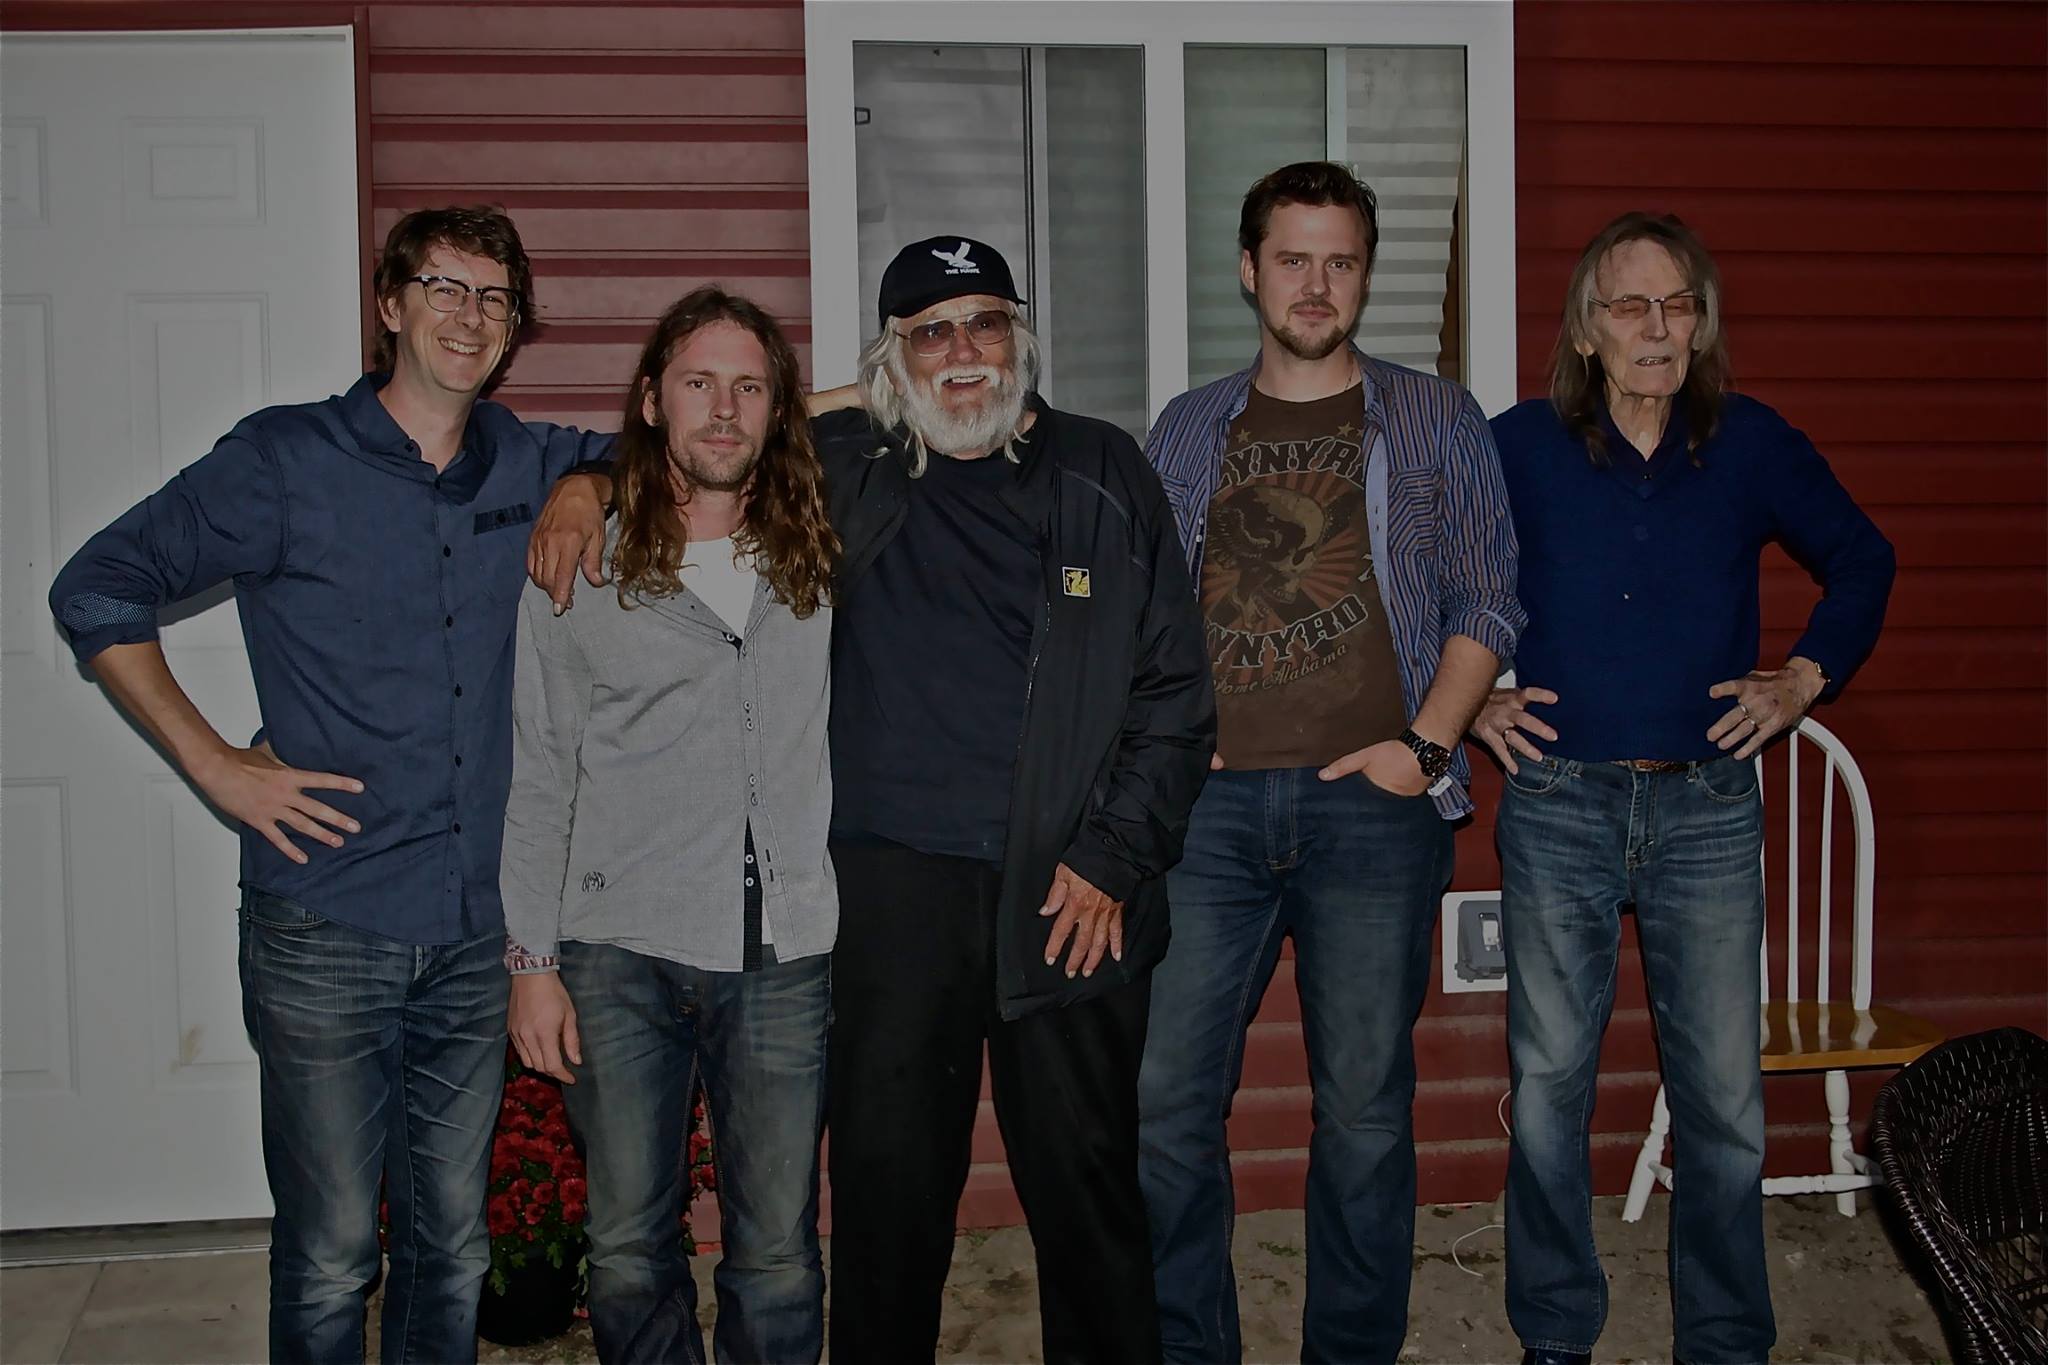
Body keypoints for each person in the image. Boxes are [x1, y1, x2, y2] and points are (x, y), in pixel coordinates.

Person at [528, 235, 1215, 1365]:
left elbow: (1175, 691)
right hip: (889, 897)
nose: (962, 351)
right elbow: (705, 441)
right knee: (888, 1203)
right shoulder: (839, 463)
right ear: (891, 358)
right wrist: (587, 483)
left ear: (1020, 339)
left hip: (1070, 888)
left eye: (984, 323)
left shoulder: (1104, 470)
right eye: (930, 331)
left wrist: (1113, 856)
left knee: (1089, 1193)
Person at [47, 206, 610, 1363]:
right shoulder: (282, 462)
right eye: (444, 288)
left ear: (514, 328)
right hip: (324, 923)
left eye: (494, 298)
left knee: (452, 1248)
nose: (469, 316)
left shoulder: (527, 459)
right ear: (390, 304)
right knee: (333, 1252)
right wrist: (214, 764)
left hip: (475, 931)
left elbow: (687, 440)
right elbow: (96, 587)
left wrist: (587, 490)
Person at [1478, 211, 1895, 1365]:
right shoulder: (1516, 447)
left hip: (1706, 808)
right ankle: (1554, 1336)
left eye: (1677, 305)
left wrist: (1801, 679)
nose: (1655, 328)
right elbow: (1417, 573)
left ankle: (1722, 1343)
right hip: (1557, 801)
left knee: (1722, 1106)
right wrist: (1464, 704)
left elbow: (1862, 559)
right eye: (1630, 306)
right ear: (1585, 330)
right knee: (1547, 1091)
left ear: (1700, 325)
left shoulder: (1749, 444)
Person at [1135, 161, 1525, 1365]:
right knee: (1162, 1105)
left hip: (1371, 811)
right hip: (1207, 814)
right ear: (1247, 270)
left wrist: (1425, 746)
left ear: (1363, 276)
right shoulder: (1186, 426)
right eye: (1291, 259)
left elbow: (1486, 599)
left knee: (1360, 1114)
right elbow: (1146, 614)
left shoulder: (1434, 417)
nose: (1314, 285)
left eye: (1338, 262)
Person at [500, 286, 838, 1364]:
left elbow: (913, 395)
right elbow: (541, 771)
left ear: (779, 409)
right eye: (699, 383)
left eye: (750, 387)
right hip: (618, 952)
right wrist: (531, 964)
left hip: (782, 950)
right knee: (629, 1245)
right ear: (652, 400)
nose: (724, 409)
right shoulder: (583, 565)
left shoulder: (820, 552)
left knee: (777, 1249)